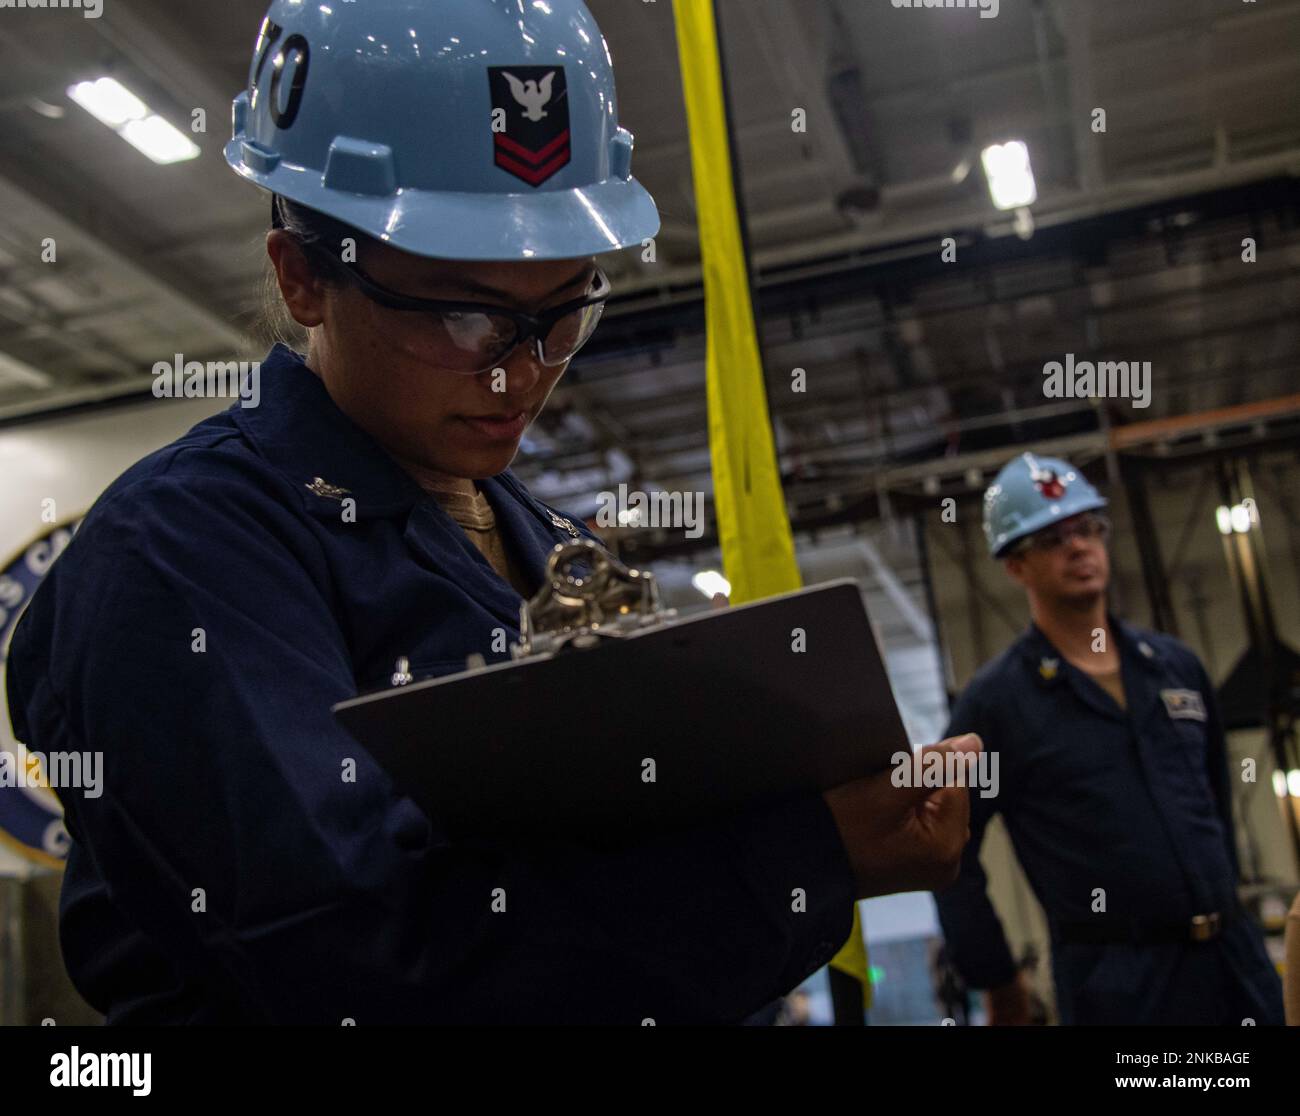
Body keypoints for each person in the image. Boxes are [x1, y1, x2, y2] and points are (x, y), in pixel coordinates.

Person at [4, 0, 976, 1024]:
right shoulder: (180, 556)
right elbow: (361, 959)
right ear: (302, 279)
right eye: (464, 314)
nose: (522, 377)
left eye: (563, 312)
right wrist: (803, 858)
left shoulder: (544, 544)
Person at [933, 452, 1284, 1025]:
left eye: (1087, 528)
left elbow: (1215, 803)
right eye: (1052, 538)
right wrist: (997, 977)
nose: (1078, 547)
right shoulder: (998, 703)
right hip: (1120, 988)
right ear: (1015, 566)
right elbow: (947, 851)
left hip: (1234, 965)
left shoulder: (1175, 667)